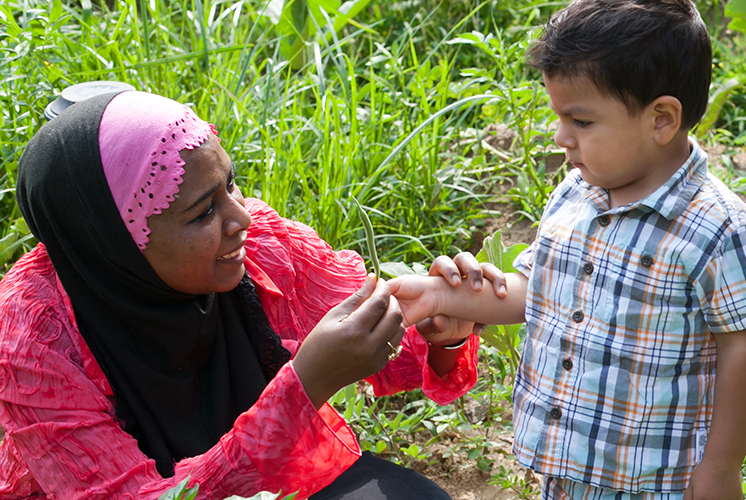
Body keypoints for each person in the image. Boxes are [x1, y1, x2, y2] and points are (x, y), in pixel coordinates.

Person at [0, 90, 502, 499]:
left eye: (231, 185)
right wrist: (304, 385)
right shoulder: (34, 333)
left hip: (278, 479)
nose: (241, 217)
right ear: (113, 243)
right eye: (201, 214)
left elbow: (378, 352)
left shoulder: (259, 240)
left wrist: (440, 333)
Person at [388, 1, 746, 499]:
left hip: (654, 478)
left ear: (661, 119)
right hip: (569, 467)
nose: (561, 138)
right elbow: (535, 290)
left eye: (581, 121)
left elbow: (739, 347)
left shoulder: (714, 228)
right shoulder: (575, 194)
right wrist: (439, 297)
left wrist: (722, 467)